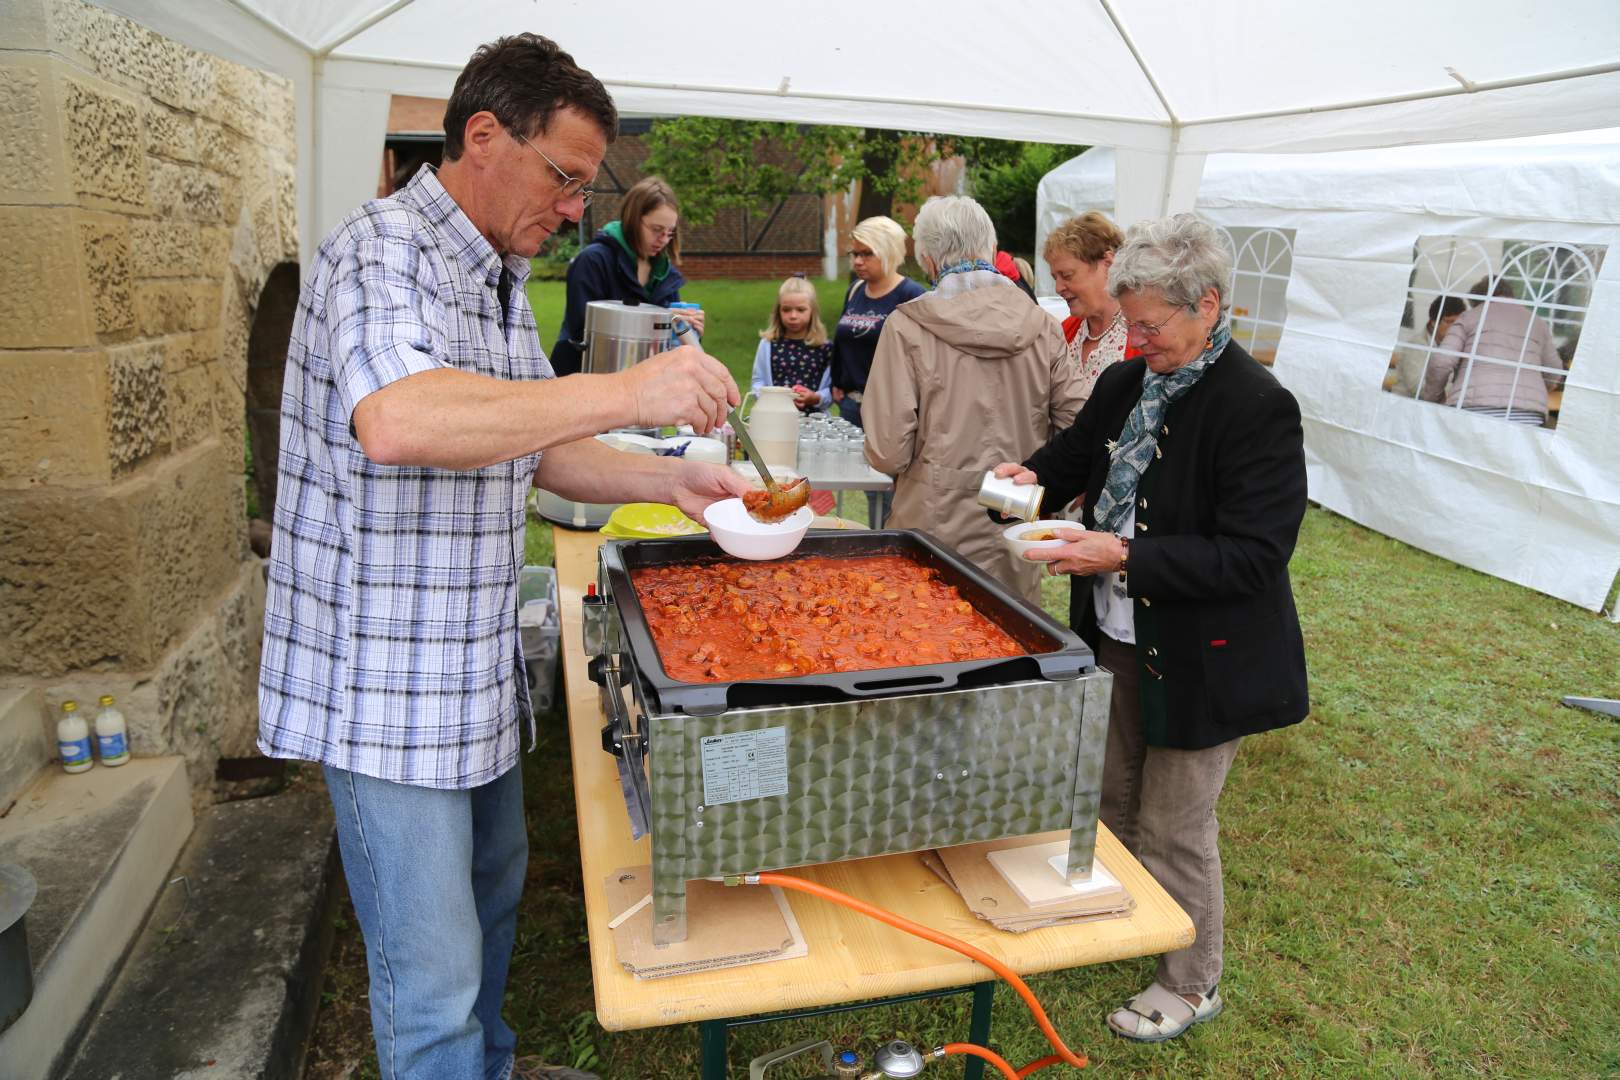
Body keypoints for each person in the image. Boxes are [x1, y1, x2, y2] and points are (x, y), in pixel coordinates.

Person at [257, 34, 749, 1080]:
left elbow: (538, 443)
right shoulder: (379, 250)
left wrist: (671, 481)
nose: (576, 208)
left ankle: (493, 1064)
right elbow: (399, 419)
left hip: (472, 670)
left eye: (584, 185)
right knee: (428, 985)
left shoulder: (495, 274)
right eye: (564, 177)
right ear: (484, 137)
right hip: (387, 695)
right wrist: (633, 389)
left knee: (493, 901)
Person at [992, 212, 1309, 1043]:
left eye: (1151, 325)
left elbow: (1255, 555)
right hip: (1116, 634)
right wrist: (1031, 473)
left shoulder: (1258, 405)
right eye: (1129, 323)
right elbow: (1078, 453)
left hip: (1208, 655)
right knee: (1111, 796)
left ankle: (1191, 980)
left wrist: (1122, 553)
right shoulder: (1126, 381)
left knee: (1176, 821)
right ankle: (1131, 922)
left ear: (1208, 305)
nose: (1134, 340)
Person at [861, 195, 1082, 602]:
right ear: (990, 247)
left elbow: (887, 450)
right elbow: (1077, 427)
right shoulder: (1042, 325)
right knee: (1011, 643)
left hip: (932, 520)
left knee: (930, 646)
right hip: (1013, 514)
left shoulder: (908, 327)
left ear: (928, 258)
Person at [549, 175, 703, 376]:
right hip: (585, 382)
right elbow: (584, 330)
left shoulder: (665, 273)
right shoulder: (593, 261)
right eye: (657, 230)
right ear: (633, 219)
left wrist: (689, 332)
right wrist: (660, 321)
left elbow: (668, 347)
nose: (663, 240)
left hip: (644, 388)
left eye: (670, 232)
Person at [1421, 278, 1565, 424]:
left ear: (1478, 301)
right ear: (1511, 296)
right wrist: (1532, 391)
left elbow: (1441, 361)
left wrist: (1434, 400)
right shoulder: (1537, 322)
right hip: (1528, 416)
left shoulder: (1469, 318)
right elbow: (1554, 370)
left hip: (1473, 409)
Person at [829, 215, 927, 429]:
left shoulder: (912, 295)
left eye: (867, 254)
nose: (857, 261)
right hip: (851, 407)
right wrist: (836, 381)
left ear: (888, 252)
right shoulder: (855, 290)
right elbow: (842, 339)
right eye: (855, 253)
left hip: (891, 412)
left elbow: (923, 357)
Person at [1044, 211, 1138, 403]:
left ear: (1108, 263)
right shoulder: (1064, 332)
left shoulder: (1143, 333)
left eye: (1067, 275)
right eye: (1055, 278)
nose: (1059, 288)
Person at [750, 274, 834, 413]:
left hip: (814, 424)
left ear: (812, 311)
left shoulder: (825, 347)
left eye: (801, 310)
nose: (793, 316)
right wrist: (775, 398)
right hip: (776, 419)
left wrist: (815, 397)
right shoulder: (768, 344)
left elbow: (832, 390)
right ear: (778, 311)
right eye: (786, 309)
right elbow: (757, 382)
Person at [1389, 294, 1466, 398]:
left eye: (1457, 323)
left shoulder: (1458, 346)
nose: (1454, 327)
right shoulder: (1416, 345)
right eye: (1448, 322)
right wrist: (1453, 393)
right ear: (1434, 322)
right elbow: (1417, 388)